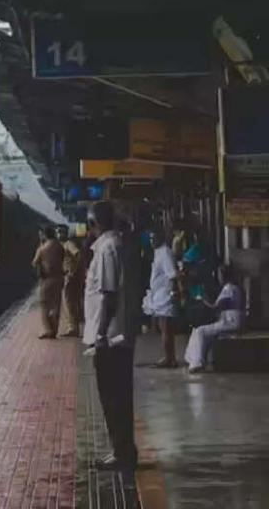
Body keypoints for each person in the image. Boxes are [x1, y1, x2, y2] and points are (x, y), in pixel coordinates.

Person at [83, 201, 137, 471]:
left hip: (111, 338)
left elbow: (108, 294)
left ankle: (122, 452)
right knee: (118, 396)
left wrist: (101, 333)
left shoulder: (107, 248)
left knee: (112, 397)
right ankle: (123, 449)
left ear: (94, 224)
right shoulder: (117, 244)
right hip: (117, 335)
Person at [184, 265, 243, 374]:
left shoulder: (228, 288)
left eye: (220, 274)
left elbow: (215, 306)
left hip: (230, 321)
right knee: (197, 330)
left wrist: (202, 299)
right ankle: (192, 359)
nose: (218, 277)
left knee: (201, 331)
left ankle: (197, 363)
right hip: (228, 320)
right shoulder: (233, 288)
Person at [145, 229, 179, 367]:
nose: (152, 241)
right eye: (150, 238)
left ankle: (169, 358)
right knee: (163, 328)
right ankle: (169, 357)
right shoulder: (157, 252)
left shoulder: (165, 252)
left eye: (154, 238)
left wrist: (172, 292)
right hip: (157, 295)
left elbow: (172, 274)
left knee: (166, 328)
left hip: (164, 295)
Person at [31, 226, 64, 339]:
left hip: (47, 279)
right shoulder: (59, 246)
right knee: (56, 304)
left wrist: (40, 245)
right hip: (59, 278)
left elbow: (35, 263)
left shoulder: (43, 248)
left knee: (44, 304)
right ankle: (54, 330)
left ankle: (47, 329)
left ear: (44, 234)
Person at [57, 225, 81, 337]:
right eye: (57, 232)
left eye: (60, 232)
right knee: (68, 302)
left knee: (69, 302)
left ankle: (73, 328)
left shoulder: (68, 244)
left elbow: (77, 253)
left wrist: (73, 270)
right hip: (66, 275)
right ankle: (71, 326)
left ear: (65, 233)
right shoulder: (63, 245)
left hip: (68, 276)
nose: (58, 234)